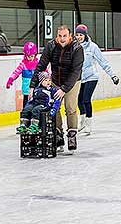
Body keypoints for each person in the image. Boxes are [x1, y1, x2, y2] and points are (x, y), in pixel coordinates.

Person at [30, 25, 84, 153]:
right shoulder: (51, 46)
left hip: (72, 81)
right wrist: (32, 85)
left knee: (70, 108)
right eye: (60, 36)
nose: (62, 39)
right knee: (54, 106)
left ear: (69, 35)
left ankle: (71, 135)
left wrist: (64, 89)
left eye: (65, 36)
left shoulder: (77, 48)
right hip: (55, 81)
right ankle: (58, 134)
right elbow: (41, 66)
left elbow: (76, 71)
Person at [74, 24, 119, 134]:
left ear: (85, 35)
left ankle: (88, 123)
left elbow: (103, 61)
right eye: (77, 35)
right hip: (79, 78)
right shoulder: (74, 47)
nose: (79, 37)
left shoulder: (92, 47)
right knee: (79, 100)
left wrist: (113, 75)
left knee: (86, 99)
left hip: (91, 77)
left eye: (81, 35)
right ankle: (83, 122)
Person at [6, 42, 38, 107]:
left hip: (36, 88)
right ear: (25, 55)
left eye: (32, 56)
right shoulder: (23, 64)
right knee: (26, 103)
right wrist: (11, 79)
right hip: (26, 89)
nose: (30, 58)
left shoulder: (37, 64)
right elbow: (16, 72)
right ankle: (25, 115)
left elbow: (44, 71)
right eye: (28, 56)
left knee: (36, 103)